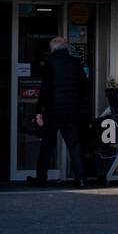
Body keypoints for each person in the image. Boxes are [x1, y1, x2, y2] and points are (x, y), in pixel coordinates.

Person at [27, 37, 88, 188]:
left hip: (53, 111)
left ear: (52, 49)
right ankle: (81, 179)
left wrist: (39, 110)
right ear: (66, 48)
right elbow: (85, 87)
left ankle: (41, 179)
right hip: (71, 112)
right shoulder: (75, 63)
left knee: (47, 145)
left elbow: (46, 88)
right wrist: (79, 106)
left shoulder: (50, 62)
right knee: (74, 145)